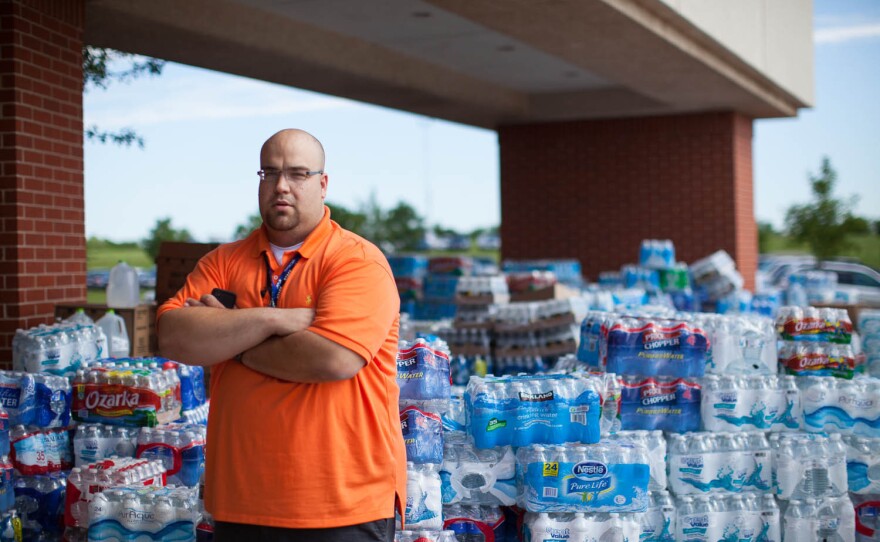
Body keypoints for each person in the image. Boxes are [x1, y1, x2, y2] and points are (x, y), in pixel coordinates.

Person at [157, 129, 405, 542]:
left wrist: (230, 339)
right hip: (241, 502)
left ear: (323, 184)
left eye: (298, 173)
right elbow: (173, 336)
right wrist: (274, 320)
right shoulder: (222, 261)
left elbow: (332, 358)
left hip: (342, 506)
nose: (281, 186)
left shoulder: (356, 261)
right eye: (269, 173)